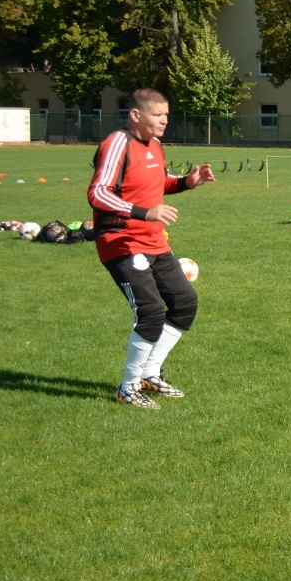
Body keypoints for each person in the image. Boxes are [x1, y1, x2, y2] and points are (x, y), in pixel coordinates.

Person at [87, 88, 216, 409]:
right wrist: (144, 212)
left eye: (167, 115)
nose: (164, 121)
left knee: (185, 302)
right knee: (151, 311)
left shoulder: (155, 146)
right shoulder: (117, 143)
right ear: (135, 115)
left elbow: (159, 182)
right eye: (158, 115)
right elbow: (98, 193)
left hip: (153, 241)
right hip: (121, 242)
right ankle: (128, 387)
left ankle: (149, 373)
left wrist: (187, 181)